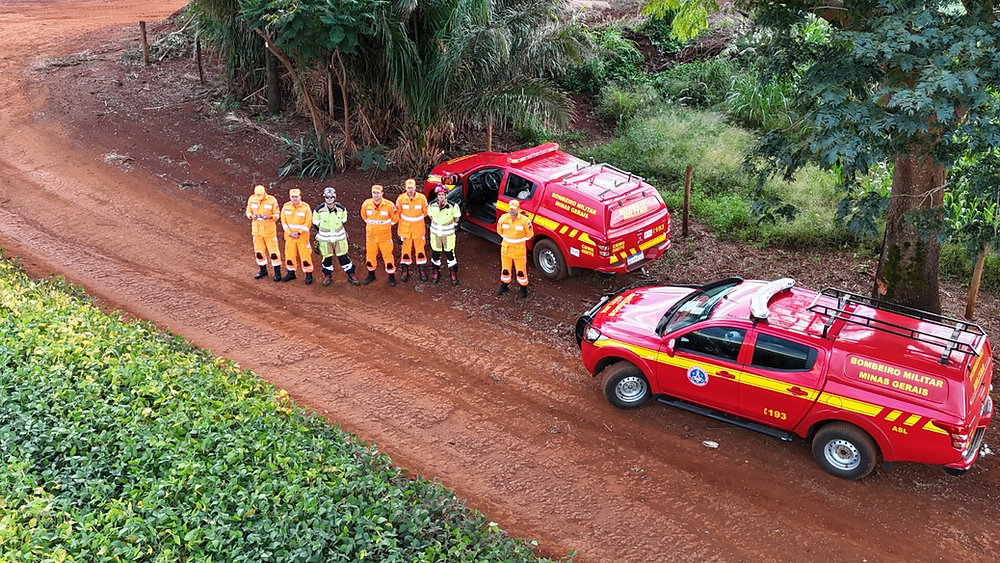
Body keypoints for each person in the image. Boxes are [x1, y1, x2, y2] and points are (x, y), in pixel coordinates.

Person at [312, 187, 361, 286]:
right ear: (324, 197)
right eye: (327, 197)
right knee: (327, 258)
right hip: (325, 239)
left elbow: (344, 221)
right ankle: (327, 275)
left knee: (343, 257)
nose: (329, 199)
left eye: (331, 197)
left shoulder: (341, 209)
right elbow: (315, 224)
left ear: (335, 197)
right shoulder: (318, 210)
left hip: (340, 238)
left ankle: (351, 274)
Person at [360, 184, 399, 286]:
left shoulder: (389, 205)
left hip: (385, 237)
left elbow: (395, 218)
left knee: (388, 257)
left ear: (382, 193)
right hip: (371, 237)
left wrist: (385, 227)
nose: (376, 195)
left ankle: (391, 276)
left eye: (378, 193)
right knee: (370, 256)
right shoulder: (366, 204)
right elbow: (364, 216)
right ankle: (371, 275)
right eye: (374, 193)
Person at [496, 198, 533, 298]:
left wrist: (518, 241)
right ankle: (504, 285)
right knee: (505, 269)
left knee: (521, 271)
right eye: (511, 208)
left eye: (514, 209)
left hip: (519, 250)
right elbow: (499, 231)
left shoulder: (524, 221)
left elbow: (530, 234)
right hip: (506, 249)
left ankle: (523, 289)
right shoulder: (503, 219)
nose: (512, 210)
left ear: (518, 209)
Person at [245, 184, 282, 281]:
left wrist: (270, 217)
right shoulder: (252, 199)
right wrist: (251, 216)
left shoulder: (272, 200)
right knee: (259, 252)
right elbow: (248, 211)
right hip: (257, 231)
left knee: (274, 253)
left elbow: (277, 214)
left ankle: (277, 273)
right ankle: (263, 270)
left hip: (269, 231)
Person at [395, 178, 429, 282]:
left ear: (415, 188)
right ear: (405, 188)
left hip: (418, 230)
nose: (410, 190)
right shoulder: (400, 199)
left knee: (420, 251)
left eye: (412, 187)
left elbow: (426, 212)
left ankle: (421, 270)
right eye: (408, 188)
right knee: (405, 251)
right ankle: (405, 271)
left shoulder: (422, 198)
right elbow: (397, 213)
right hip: (405, 230)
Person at [427, 183, 461, 285]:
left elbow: (457, 217)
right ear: (437, 196)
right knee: (435, 253)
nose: (441, 196)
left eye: (443, 194)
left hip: (448, 235)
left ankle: (453, 273)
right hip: (435, 235)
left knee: (450, 254)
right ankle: (436, 272)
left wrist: (453, 225)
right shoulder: (432, 205)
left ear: (446, 195)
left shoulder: (453, 206)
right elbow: (430, 216)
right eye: (439, 195)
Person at [279, 188, 314, 284]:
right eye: (293, 197)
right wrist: (290, 232)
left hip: (302, 238)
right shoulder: (286, 207)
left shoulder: (306, 208)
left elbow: (308, 222)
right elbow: (283, 221)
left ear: (300, 197)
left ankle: (308, 274)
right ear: (290, 197)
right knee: (290, 256)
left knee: (305, 256)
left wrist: (299, 232)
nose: (294, 198)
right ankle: (291, 273)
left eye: (296, 196)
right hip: (289, 237)